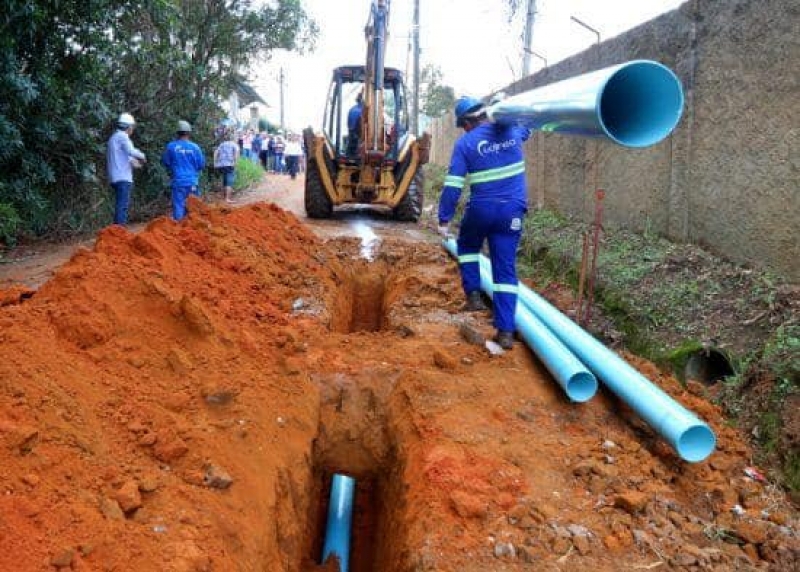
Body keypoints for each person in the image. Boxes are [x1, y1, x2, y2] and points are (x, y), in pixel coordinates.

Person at [437, 96, 531, 350]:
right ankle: (505, 332)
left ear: (467, 122)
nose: (464, 130)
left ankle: (474, 295)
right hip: (512, 211)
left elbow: (454, 185)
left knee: (467, 247)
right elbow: (528, 127)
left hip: (481, 210)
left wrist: (444, 219)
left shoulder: (465, 144)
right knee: (505, 270)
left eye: (462, 125)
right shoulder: (511, 130)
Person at [106, 112, 146, 225]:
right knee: (122, 205)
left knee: (120, 204)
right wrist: (143, 156)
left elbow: (127, 158)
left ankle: (116, 231)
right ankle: (119, 231)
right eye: (132, 127)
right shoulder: (123, 137)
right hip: (123, 177)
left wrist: (137, 163)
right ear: (128, 126)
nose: (132, 129)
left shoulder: (113, 138)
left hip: (115, 177)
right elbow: (131, 151)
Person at [161, 120, 206, 221]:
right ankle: (194, 230)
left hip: (178, 182)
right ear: (189, 133)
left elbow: (166, 162)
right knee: (193, 207)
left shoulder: (171, 146)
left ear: (177, 133)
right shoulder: (195, 147)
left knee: (178, 206)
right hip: (192, 182)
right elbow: (201, 164)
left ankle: (179, 231)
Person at [214, 131, 240, 203]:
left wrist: (215, 162)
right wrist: (236, 163)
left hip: (221, 165)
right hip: (229, 164)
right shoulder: (234, 145)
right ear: (233, 138)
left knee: (224, 180)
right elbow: (236, 154)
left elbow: (216, 152)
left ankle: (224, 197)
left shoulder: (222, 144)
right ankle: (227, 199)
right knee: (229, 182)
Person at [346, 92, 363, 157]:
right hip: (357, 136)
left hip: (352, 135)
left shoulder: (352, 109)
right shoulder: (362, 111)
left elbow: (349, 125)